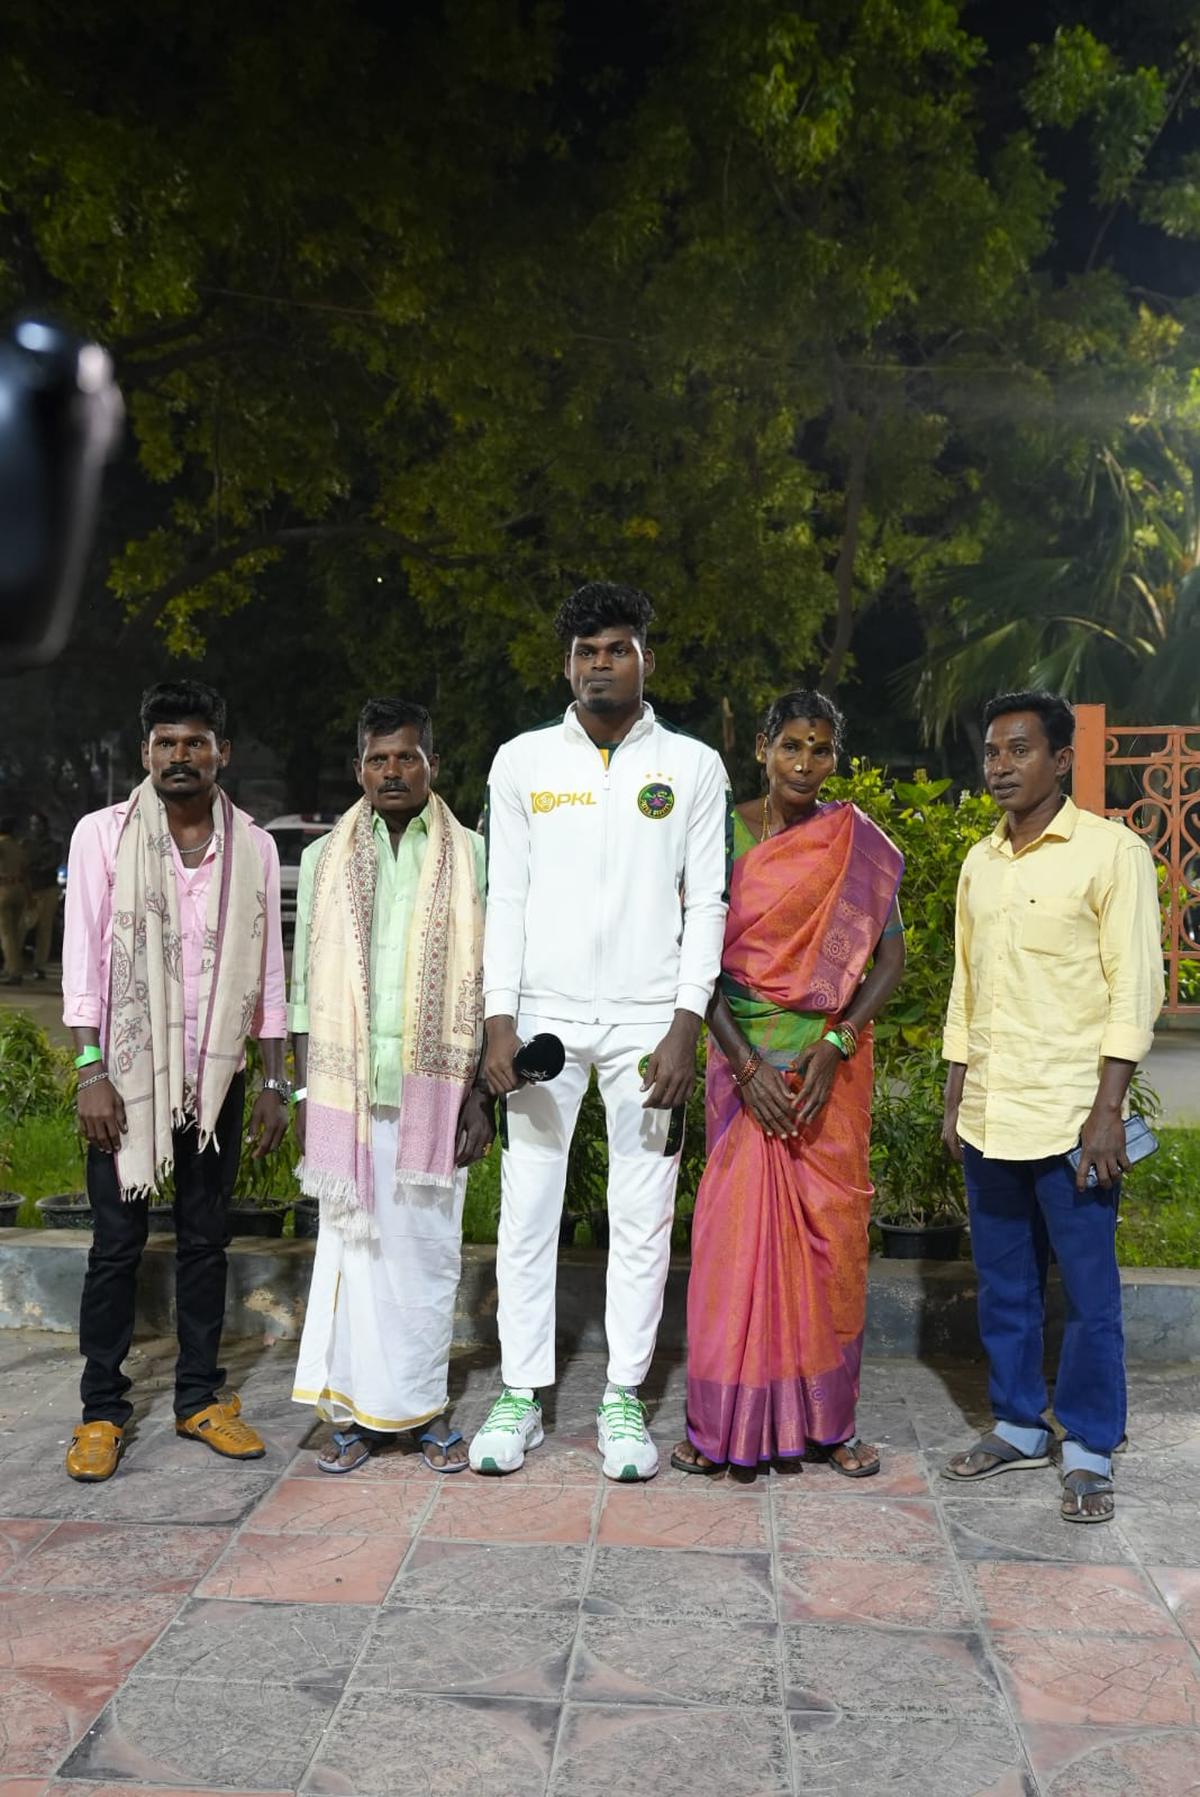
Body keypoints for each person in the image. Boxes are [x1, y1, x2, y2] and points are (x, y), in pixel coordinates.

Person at [470, 581, 730, 1481]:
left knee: (643, 1216)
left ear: (645, 657)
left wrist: (686, 1024)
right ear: (566, 664)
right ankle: (520, 1395)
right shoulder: (522, 761)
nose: (599, 664)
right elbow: (505, 898)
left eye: (615, 648)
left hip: (647, 1025)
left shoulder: (692, 767)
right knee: (528, 1209)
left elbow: (708, 905)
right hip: (542, 1018)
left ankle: (623, 1398)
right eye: (584, 652)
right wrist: (499, 1020)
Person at [941, 691, 1164, 1525]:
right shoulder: (979, 863)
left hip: (1076, 1117)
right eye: (992, 751)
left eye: (1019, 750)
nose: (1000, 765)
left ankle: (1091, 1445)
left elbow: (1134, 988)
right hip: (992, 1113)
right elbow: (967, 988)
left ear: (1061, 760)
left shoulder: (1112, 854)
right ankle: (1017, 1422)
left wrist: (1109, 1110)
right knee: (1004, 1283)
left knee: (1090, 1290)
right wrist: (956, 1092)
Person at [672, 692, 905, 1478]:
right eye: (792, 747)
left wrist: (837, 1043)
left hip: (826, 1071)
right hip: (744, 1065)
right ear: (763, 748)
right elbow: (693, 963)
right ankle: (721, 1423)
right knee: (732, 1243)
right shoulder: (723, 833)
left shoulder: (857, 845)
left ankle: (828, 1423)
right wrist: (744, 1065)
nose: (806, 764)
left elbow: (889, 958)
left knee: (828, 1243)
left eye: (822, 749)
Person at [61, 680, 288, 1482]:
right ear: (144, 752)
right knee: (116, 1246)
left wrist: (272, 1078)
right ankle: (101, 1410)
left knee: (205, 1239)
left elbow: (268, 968)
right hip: (127, 1077)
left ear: (220, 751)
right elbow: (84, 957)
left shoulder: (253, 845)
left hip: (216, 1076)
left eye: (195, 742)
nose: (180, 755)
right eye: (166, 742)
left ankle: (199, 1397)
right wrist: (90, 1068)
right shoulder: (103, 836)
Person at [290, 698, 491, 1473]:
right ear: (359, 769)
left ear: (432, 764)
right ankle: (351, 1413)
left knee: (427, 1256)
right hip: (349, 1091)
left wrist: (480, 1096)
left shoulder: (472, 854)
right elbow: (308, 989)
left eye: (407, 757)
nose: (392, 771)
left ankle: (423, 1407)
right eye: (378, 759)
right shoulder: (324, 860)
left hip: (435, 1094)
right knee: (351, 1252)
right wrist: (308, 1096)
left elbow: (492, 983)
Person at [21, 810, 62, 980]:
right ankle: (15, 962)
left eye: (37, 824)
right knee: (22, 926)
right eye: (32, 824)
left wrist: (33, 867)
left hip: (48, 889)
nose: (34, 827)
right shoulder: (26, 843)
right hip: (30, 889)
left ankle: (39, 966)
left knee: (44, 930)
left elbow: (51, 864)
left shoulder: (53, 845)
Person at [0, 816, 29, 985]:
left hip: (3, 889)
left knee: (6, 934)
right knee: (16, 933)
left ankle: (13, 972)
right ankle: (14, 966)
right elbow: (25, 872)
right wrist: (30, 896)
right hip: (19, 890)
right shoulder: (19, 847)